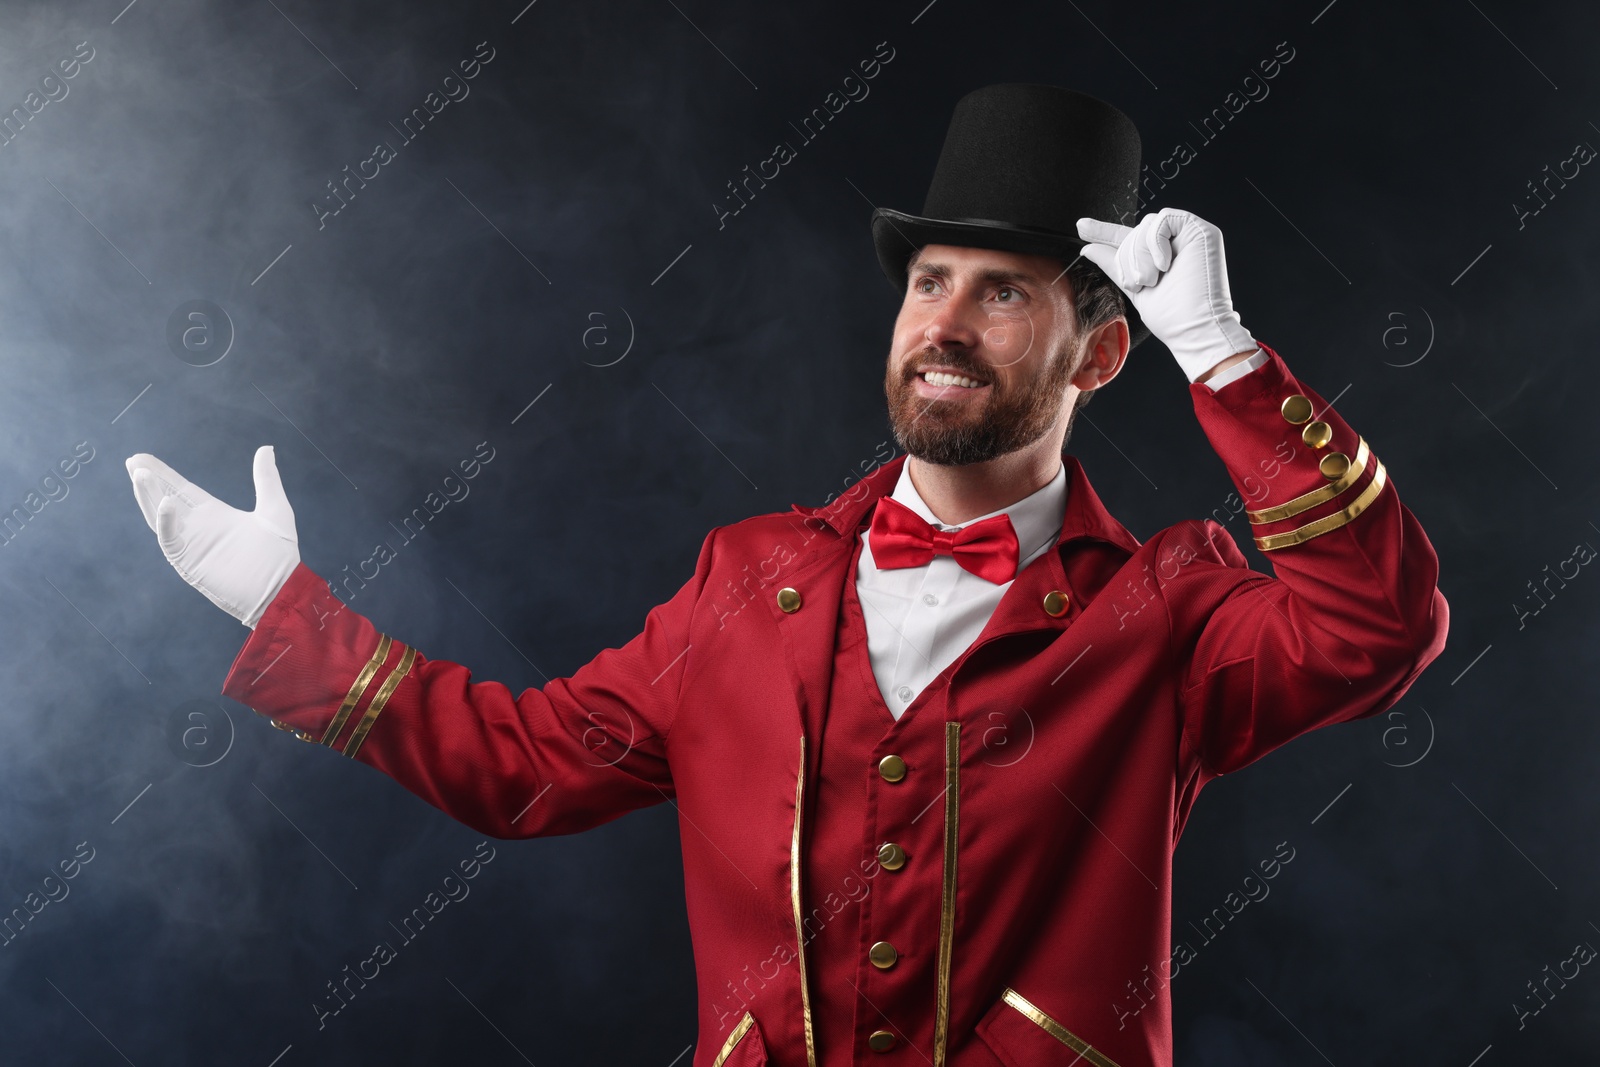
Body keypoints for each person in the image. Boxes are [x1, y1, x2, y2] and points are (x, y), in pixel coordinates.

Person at [125, 85, 1447, 1067]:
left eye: (1004, 295)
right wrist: (287, 616)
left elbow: (1381, 629)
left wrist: (1219, 351)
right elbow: (528, 771)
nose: (942, 323)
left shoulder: (1168, 609)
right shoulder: (746, 579)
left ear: (1097, 358)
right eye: (928, 282)